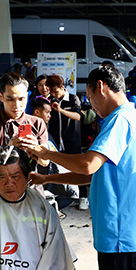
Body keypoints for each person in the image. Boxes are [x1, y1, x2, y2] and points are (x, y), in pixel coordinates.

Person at [27, 65, 136, 270]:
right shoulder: (130, 116)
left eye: (90, 96)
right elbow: (92, 174)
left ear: (101, 87)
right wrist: (47, 178)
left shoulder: (119, 119)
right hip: (127, 233)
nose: (91, 105)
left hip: (120, 236)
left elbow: (88, 164)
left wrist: (46, 153)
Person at [0, 72, 49, 171]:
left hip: (30, 179)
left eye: (21, 99)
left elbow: (45, 162)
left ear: (27, 96)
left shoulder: (37, 123)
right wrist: (8, 148)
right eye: (10, 99)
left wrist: (35, 148)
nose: (16, 105)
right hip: (1, 180)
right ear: (1, 97)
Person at [45, 74, 88, 209]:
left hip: (72, 142)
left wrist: (61, 110)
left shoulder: (73, 99)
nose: (54, 94)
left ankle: (83, 197)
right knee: (59, 170)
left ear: (63, 87)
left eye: (55, 91)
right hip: (57, 143)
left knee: (78, 169)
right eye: (51, 91)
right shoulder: (51, 100)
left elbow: (77, 116)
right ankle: (64, 196)